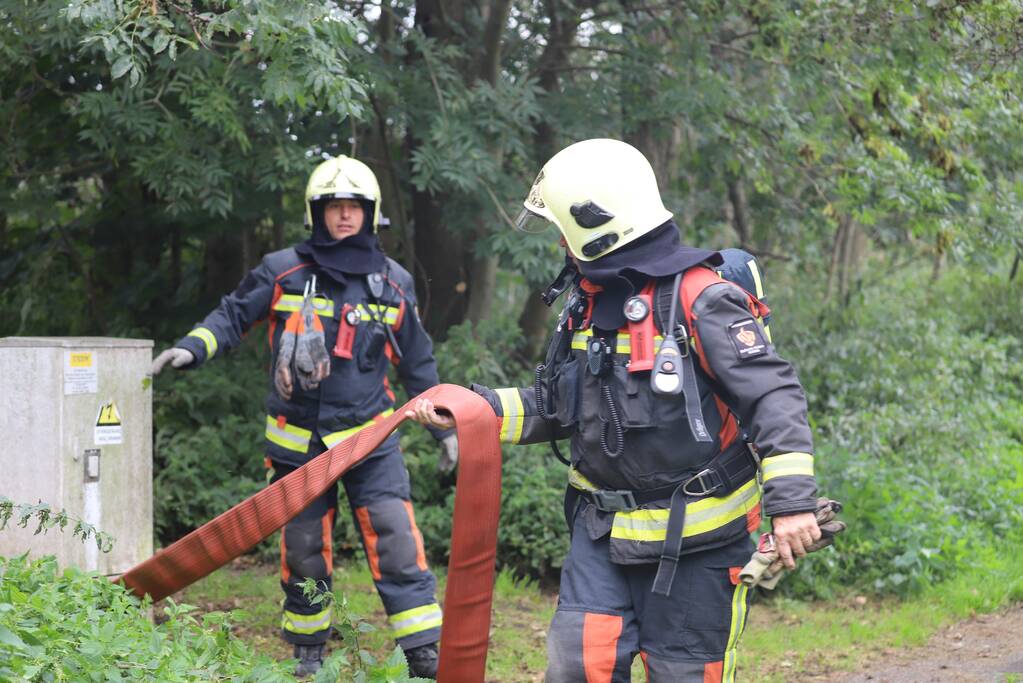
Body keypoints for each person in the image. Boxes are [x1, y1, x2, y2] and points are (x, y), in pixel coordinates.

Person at [408, 139, 820, 682]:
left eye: (564, 228)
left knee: (683, 675)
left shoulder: (702, 298)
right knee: (577, 668)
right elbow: (560, 406)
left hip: (699, 548)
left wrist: (792, 503)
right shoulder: (587, 302)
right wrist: (472, 411)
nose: (560, 241)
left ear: (595, 226)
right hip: (600, 538)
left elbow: (773, 395)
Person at [151, 156, 455, 678]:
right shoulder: (283, 270)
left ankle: (423, 650)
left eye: (354, 207)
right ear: (316, 213)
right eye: (334, 207)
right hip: (298, 445)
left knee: (397, 539)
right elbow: (233, 314)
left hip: (372, 440)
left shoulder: (394, 282)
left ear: (371, 213)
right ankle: (309, 650)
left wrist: (443, 426)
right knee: (304, 548)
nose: (344, 216)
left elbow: (418, 364)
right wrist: (192, 348)